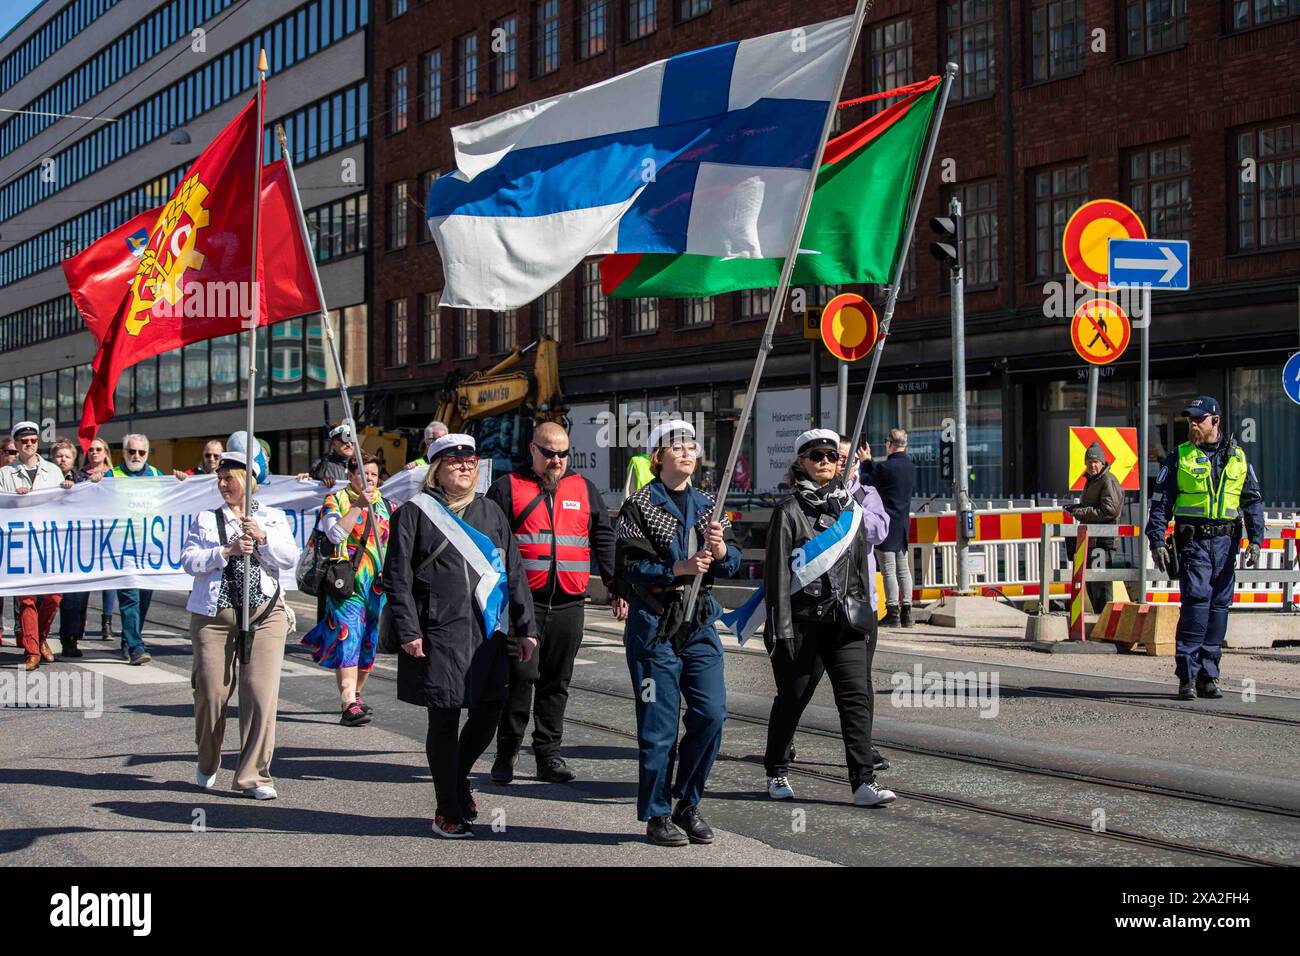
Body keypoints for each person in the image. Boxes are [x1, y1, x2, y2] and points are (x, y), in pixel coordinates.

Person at [384, 433, 539, 838]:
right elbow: (396, 578)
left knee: (489, 712)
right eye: (455, 461)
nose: (465, 467)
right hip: (439, 631)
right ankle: (446, 808)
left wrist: (526, 627)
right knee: (445, 717)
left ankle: (458, 778)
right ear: (437, 468)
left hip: (489, 631)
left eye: (470, 461)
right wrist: (408, 629)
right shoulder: (414, 513)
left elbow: (514, 572)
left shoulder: (491, 512)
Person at [614, 419, 740, 847]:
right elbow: (628, 567)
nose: (686, 451)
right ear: (658, 458)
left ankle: (687, 801)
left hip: (700, 623)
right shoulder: (639, 505)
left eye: (690, 444)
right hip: (655, 627)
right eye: (675, 446)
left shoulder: (709, 503)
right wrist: (677, 569)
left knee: (712, 714)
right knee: (658, 726)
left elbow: (731, 563)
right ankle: (657, 813)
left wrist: (722, 551)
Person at [762, 429, 896, 808]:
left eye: (830, 456)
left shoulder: (852, 509)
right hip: (804, 623)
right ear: (800, 462)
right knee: (793, 698)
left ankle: (863, 783)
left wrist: (864, 615)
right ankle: (777, 771)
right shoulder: (788, 511)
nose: (824, 461)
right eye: (815, 455)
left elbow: (859, 567)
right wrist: (780, 630)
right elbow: (777, 577)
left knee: (856, 700)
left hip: (848, 622)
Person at [485, 421, 625, 786]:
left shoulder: (583, 488)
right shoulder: (506, 489)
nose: (557, 460)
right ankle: (507, 752)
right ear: (533, 450)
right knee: (520, 679)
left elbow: (603, 538)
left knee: (557, 682)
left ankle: (548, 756)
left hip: (569, 603)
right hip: (522, 605)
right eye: (549, 453)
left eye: (564, 453)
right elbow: (487, 544)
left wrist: (615, 584)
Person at [181, 451, 298, 799]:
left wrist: (262, 538)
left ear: (249, 480)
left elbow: (289, 558)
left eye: (228, 478)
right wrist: (225, 551)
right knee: (212, 691)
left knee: (260, 692)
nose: (222, 484)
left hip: (265, 612)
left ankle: (254, 776)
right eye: (219, 478)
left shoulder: (273, 518)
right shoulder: (205, 519)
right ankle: (208, 757)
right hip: (214, 615)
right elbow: (188, 560)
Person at [1145, 396, 1264, 701]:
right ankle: (1187, 674)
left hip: (1226, 545)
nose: (1193, 425)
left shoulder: (1238, 457)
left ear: (1216, 421)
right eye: (1190, 421)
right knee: (1197, 604)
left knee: (1219, 609)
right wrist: (1156, 539)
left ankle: (1209, 675)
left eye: (1198, 420)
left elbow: (1252, 502)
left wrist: (1256, 540)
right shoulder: (1179, 456)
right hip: (1193, 543)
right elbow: (1160, 503)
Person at [301, 453, 392, 726]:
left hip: (376, 587)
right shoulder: (336, 500)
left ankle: (357, 694)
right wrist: (357, 507)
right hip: (345, 584)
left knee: (369, 643)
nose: (370, 480)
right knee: (347, 637)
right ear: (351, 476)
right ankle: (348, 703)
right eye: (364, 475)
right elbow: (334, 535)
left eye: (374, 475)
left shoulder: (386, 506)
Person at [0, 422, 66, 671]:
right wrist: (15, 500)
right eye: (24, 441)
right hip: (20, 543)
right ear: (16, 445)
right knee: (26, 598)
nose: (29, 444)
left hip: (49, 542)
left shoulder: (52, 470)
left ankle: (40, 638)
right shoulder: (5, 474)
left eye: (33, 440)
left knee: (53, 595)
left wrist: (68, 489)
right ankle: (32, 651)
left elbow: (64, 504)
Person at [112, 433, 164, 665]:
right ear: (123, 453)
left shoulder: (156, 475)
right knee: (130, 598)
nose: (136, 456)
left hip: (149, 548)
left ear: (147, 454)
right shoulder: (111, 476)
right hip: (122, 548)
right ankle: (136, 647)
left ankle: (128, 639)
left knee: (143, 598)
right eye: (131, 451)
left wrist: (184, 480)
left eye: (141, 452)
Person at [51, 438, 105, 658]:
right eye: (58, 455)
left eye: (67, 456)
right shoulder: (46, 478)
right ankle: (36, 638)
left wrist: (98, 482)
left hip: (78, 547)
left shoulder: (83, 478)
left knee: (77, 597)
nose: (62, 459)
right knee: (47, 598)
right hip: (52, 545)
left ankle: (71, 638)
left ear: (74, 459)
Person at [859, 427, 916, 628]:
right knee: (903, 569)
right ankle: (907, 611)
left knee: (888, 570)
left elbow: (867, 482)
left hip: (886, 524)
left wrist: (866, 462)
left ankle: (893, 611)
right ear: (905, 444)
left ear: (889, 444)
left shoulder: (885, 468)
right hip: (902, 524)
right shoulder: (910, 466)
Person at [1066, 441, 1125, 613]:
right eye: (1089, 462)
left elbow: (1109, 511)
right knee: (1092, 582)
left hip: (1103, 541)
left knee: (1100, 584)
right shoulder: (1093, 480)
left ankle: (1105, 621)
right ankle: (1101, 621)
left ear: (1102, 462)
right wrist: (1078, 509)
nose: (1092, 465)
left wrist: (1080, 512)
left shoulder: (1107, 480)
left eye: (1095, 461)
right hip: (1093, 540)